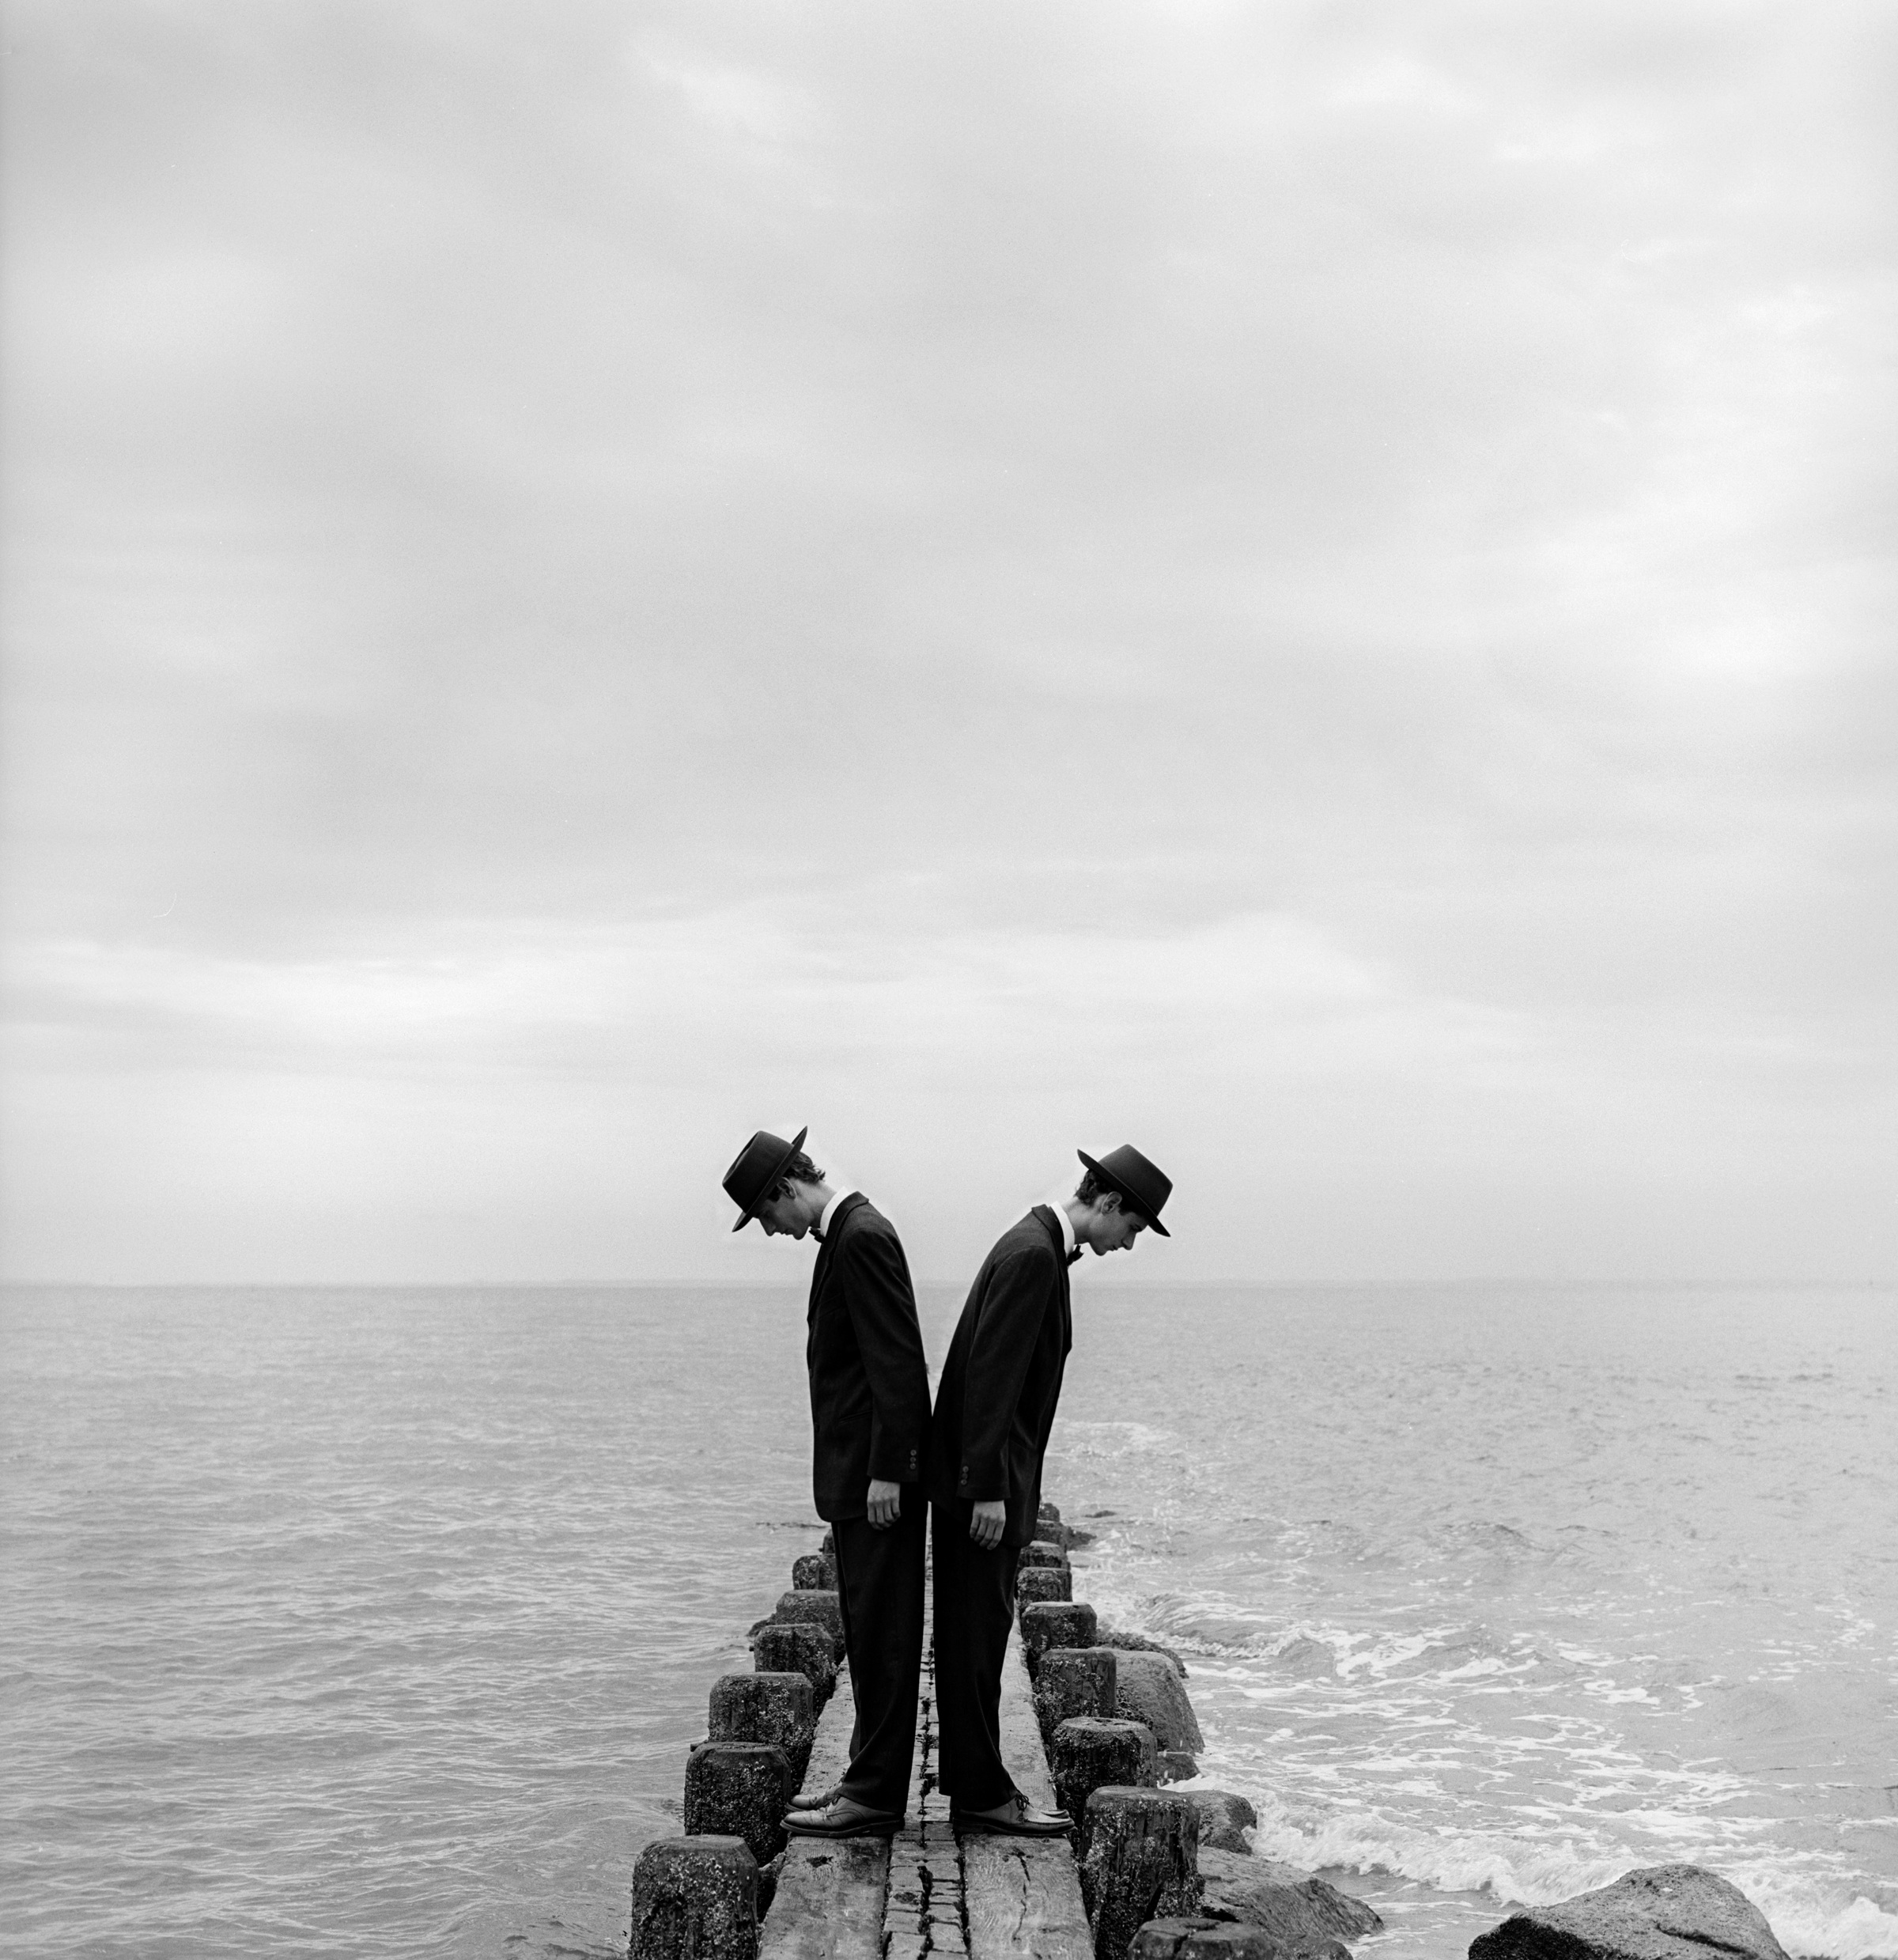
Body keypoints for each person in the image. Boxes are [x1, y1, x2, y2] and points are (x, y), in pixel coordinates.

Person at [928, 1144, 1173, 1837]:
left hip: (989, 1481)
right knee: (975, 1643)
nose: (1128, 1244)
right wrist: (984, 1489)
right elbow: (990, 1377)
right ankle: (981, 1798)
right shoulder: (1034, 1253)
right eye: (1134, 1227)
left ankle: (977, 1784)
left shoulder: (1034, 1244)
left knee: (978, 1636)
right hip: (984, 1489)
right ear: (1109, 1203)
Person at [722, 1126, 932, 1839]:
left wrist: (888, 1471)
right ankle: (861, 1778)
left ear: (786, 1187)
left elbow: (900, 1364)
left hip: (877, 1484)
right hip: (857, 1477)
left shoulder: (863, 1234)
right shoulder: (846, 1233)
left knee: (886, 1637)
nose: (773, 1232)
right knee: (870, 1634)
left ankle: (874, 1797)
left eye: (765, 1215)